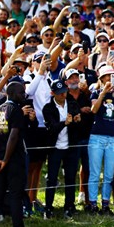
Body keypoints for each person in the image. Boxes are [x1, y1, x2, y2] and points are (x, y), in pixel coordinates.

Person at [0, 81, 35, 227]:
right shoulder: (15, 111)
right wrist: (6, 160)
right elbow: (13, 136)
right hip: (12, 161)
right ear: (12, 93)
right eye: (22, 93)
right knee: (15, 197)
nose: (25, 96)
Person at [87, 65, 114, 214]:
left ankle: (105, 204)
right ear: (101, 79)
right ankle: (92, 203)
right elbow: (94, 110)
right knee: (95, 172)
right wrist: (103, 93)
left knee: (109, 174)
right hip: (97, 136)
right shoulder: (95, 92)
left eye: (112, 76)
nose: (110, 79)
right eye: (107, 76)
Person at [42, 79, 82, 219]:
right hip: (55, 148)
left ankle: (69, 207)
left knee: (70, 178)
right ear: (53, 93)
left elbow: (78, 128)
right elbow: (51, 129)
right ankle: (48, 207)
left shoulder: (72, 104)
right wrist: (64, 123)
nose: (63, 95)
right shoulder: (48, 108)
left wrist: (77, 121)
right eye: (59, 93)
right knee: (51, 178)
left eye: (64, 92)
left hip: (70, 147)